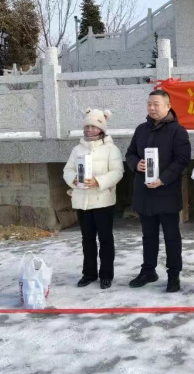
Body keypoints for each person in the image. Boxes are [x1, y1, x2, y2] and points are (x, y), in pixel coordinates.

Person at [125, 90, 191, 293]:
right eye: (149, 104)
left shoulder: (177, 131)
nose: (152, 108)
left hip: (166, 193)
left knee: (172, 236)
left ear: (168, 106)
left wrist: (163, 179)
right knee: (148, 235)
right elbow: (130, 153)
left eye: (156, 104)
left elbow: (182, 160)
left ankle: (173, 274)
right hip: (144, 193)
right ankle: (148, 271)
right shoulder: (141, 129)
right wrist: (136, 164)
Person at [63, 108, 124, 289]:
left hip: (102, 200)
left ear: (102, 129)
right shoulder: (77, 149)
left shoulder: (111, 149)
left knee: (105, 239)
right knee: (87, 239)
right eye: (87, 126)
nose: (89, 130)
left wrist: (98, 181)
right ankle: (89, 273)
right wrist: (73, 179)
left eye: (94, 126)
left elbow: (117, 172)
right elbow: (67, 170)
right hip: (82, 201)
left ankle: (106, 274)